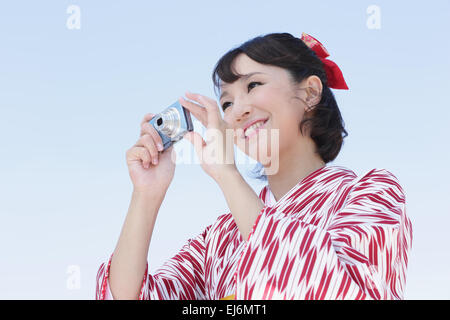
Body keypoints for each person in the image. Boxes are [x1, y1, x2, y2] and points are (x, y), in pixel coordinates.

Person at [95, 32, 413, 300]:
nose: (237, 112)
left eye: (252, 86)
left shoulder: (372, 193)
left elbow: (336, 289)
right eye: (227, 104)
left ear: (311, 92)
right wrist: (146, 195)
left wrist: (226, 173)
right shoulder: (219, 236)